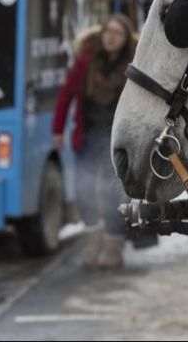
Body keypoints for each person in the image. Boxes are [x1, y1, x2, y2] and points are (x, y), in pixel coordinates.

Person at [52, 15, 137, 269]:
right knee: (83, 191)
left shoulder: (132, 66)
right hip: (88, 137)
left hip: (117, 140)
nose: (111, 37)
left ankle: (113, 248)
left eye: (117, 33)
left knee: (113, 196)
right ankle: (92, 243)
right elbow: (66, 94)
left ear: (125, 39)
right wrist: (58, 130)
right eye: (107, 31)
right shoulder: (86, 62)